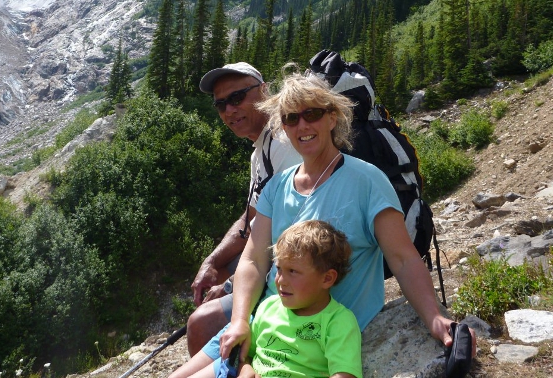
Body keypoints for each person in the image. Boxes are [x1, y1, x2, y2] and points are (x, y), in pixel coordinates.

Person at [170, 69, 476, 378]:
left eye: (312, 113)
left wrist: (435, 317)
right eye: (290, 118)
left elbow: (402, 258)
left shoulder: (367, 181)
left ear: (333, 117)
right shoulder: (277, 186)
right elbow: (253, 259)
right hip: (263, 323)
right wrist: (239, 320)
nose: (302, 125)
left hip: (310, 343)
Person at [188, 62, 302, 355]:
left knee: (200, 323)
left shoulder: (283, 143)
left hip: (298, 266)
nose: (229, 111)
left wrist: (229, 285)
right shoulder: (261, 149)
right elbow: (251, 218)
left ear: (264, 91)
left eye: (237, 98)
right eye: (221, 104)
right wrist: (212, 263)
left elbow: (287, 230)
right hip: (276, 258)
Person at [233, 220, 362, 378]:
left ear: (327, 278)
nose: (280, 280)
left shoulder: (339, 321)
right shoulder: (268, 307)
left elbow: (344, 374)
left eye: (292, 271)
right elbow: (245, 355)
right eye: (279, 269)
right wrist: (245, 369)